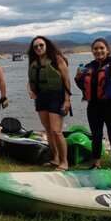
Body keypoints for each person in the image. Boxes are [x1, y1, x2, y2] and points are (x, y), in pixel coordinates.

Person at [74, 38, 111, 169]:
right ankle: (97, 163)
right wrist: (77, 79)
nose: (98, 51)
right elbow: (84, 87)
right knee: (96, 136)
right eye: (95, 48)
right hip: (94, 107)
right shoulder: (89, 66)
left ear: (107, 49)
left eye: (101, 48)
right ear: (92, 51)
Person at [27, 36, 71, 171]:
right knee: (48, 129)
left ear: (47, 46)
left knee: (56, 131)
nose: (39, 48)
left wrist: (67, 100)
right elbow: (30, 81)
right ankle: (55, 158)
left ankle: (65, 162)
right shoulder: (34, 62)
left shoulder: (57, 59)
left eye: (41, 45)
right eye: (36, 47)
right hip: (41, 98)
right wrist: (29, 90)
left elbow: (66, 81)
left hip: (56, 97)